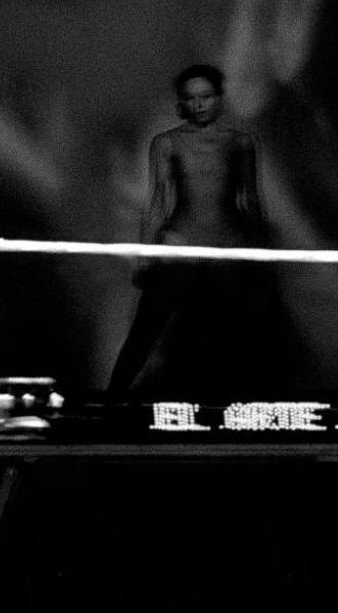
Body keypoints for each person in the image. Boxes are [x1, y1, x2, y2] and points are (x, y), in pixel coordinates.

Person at [107, 63, 269, 395]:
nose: (199, 104)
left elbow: (251, 201)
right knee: (142, 338)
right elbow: (157, 202)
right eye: (192, 97)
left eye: (206, 96)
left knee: (241, 345)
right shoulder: (166, 143)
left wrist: (257, 257)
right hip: (177, 251)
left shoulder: (240, 143)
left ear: (218, 98)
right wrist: (146, 258)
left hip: (226, 254)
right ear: (183, 101)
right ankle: (108, 406)